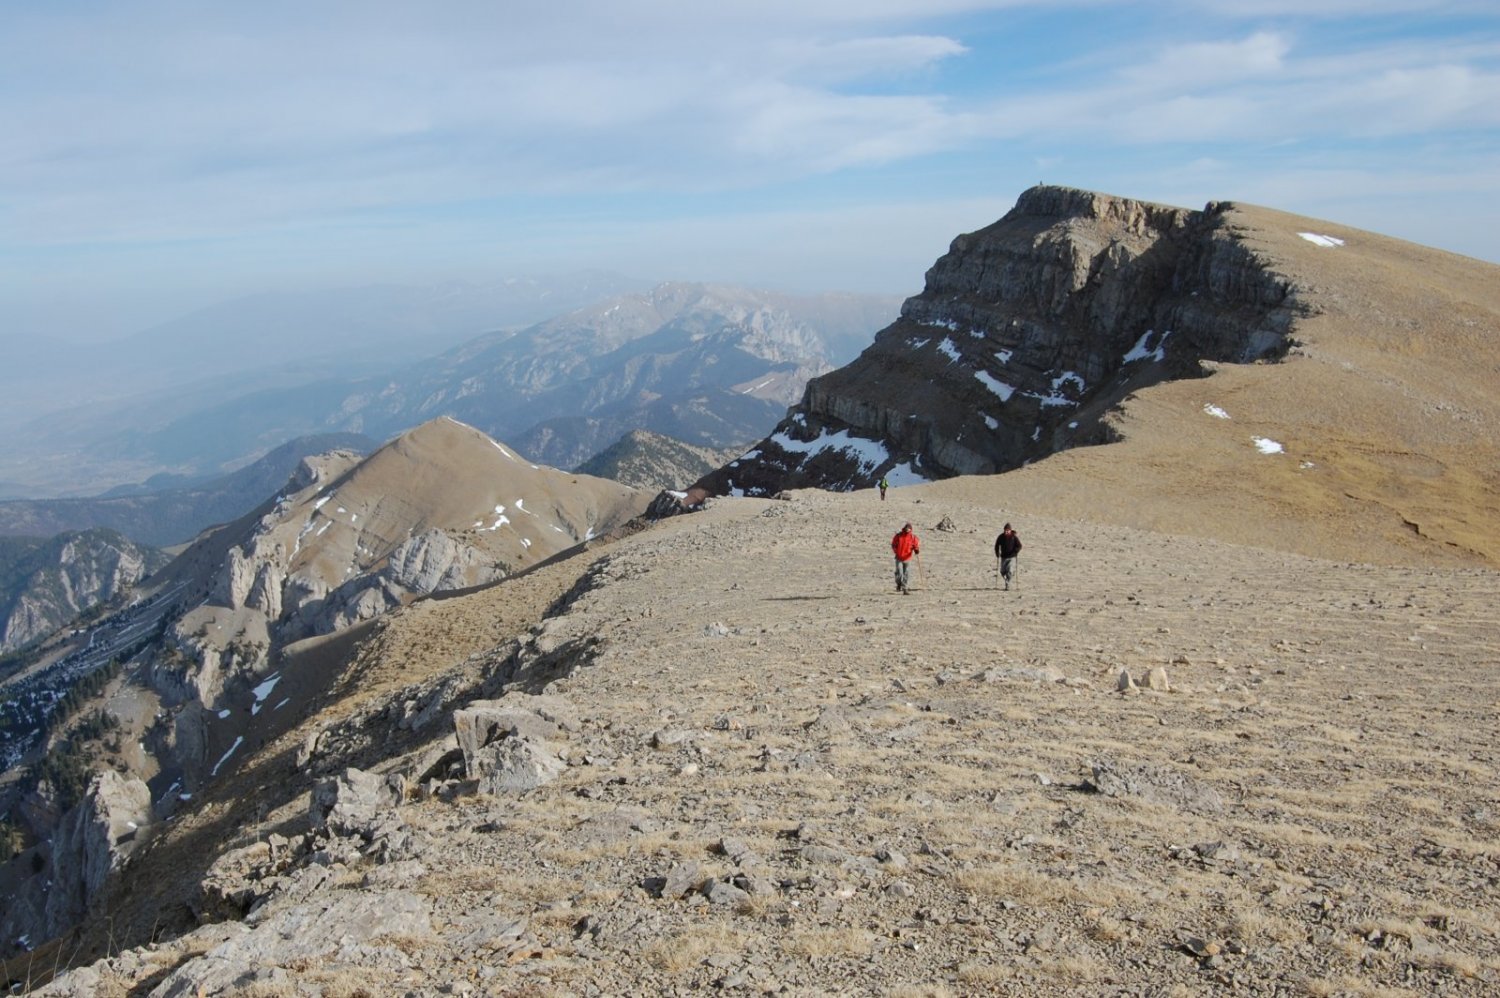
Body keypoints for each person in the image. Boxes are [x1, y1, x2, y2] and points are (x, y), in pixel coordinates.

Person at [891, 522, 920, 594]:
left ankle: (905, 588)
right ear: (905, 528)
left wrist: (916, 550)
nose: (908, 529)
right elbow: (893, 544)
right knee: (899, 573)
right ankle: (898, 584)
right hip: (899, 558)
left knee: (906, 573)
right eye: (907, 528)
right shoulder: (899, 536)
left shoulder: (913, 537)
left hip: (907, 558)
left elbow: (916, 545)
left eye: (909, 528)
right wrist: (896, 551)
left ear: (911, 529)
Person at [994, 522, 1022, 590]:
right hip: (1003, 557)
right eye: (1005, 530)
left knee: (1009, 570)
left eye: (1007, 530)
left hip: (1011, 557)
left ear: (1010, 530)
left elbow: (1019, 546)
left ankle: (1008, 584)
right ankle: (1007, 579)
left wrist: (1015, 551)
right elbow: (997, 545)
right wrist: (997, 553)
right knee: (1002, 571)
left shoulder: (1014, 537)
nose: (1006, 531)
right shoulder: (1001, 537)